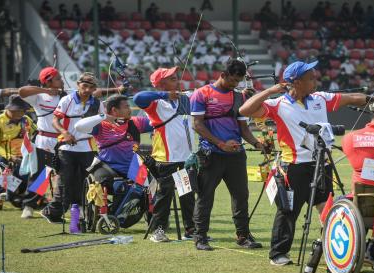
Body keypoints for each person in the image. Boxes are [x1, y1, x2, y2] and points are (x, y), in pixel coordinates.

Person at [239, 60, 372, 265]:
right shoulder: (277, 104)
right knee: (289, 211)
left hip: (322, 163)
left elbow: (351, 98)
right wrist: (271, 91)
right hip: (294, 167)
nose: (315, 80)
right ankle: (278, 254)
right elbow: (245, 110)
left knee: (326, 206)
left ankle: (337, 249)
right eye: (311, 78)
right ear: (297, 82)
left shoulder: (320, 98)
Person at [19, 67, 122, 219]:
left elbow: (95, 93)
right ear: (48, 81)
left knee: (76, 177)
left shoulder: (65, 94)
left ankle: (77, 206)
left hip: (70, 141)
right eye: (58, 78)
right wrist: (46, 91)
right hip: (47, 140)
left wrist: (116, 89)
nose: (61, 80)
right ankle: (30, 204)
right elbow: (22, 92)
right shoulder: (39, 96)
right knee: (42, 175)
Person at [190, 59, 264, 251]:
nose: (234, 85)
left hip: (236, 155)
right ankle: (200, 238)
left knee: (241, 196)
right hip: (211, 154)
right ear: (222, 75)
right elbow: (197, 124)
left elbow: (243, 128)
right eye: (232, 80)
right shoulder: (202, 94)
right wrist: (221, 144)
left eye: (238, 81)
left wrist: (256, 143)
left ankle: (243, 236)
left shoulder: (239, 96)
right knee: (205, 197)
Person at [133, 67, 196, 242]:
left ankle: (191, 230)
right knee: (164, 196)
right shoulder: (156, 103)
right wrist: (164, 95)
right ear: (161, 84)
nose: (177, 80)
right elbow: (138, 97)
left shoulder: (184, 99)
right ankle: (158, 231)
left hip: (186, 158)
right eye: (172, 78)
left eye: (176, 77)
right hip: (165, 159)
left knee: (187, 194)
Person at [40, 72, 104, 224]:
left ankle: (85, 212)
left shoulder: (97, 103)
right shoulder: (67, 99)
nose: (87, 90)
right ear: (78, 85)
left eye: (91, 87)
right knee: (65, 181)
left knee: (87, 181)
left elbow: (102, 124)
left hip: (89, 147)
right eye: (85, 86)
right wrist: (65, 132)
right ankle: (52, 212)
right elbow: (55, 120)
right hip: (67, 148)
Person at [74, 95, 152, 192]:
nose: (130, 109)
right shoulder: (102, 125)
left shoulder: (136, 122)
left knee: (149, 189)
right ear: (114, 110)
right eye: (126, 107)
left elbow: (157, 123)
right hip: (108, 167)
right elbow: (78, 126)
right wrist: (104, 116)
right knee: (115, 186)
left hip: (133, 168)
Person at [0, 95, 34, 209]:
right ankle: (12, 196)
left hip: (24, 155)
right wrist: (9, 156)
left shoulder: (26, 120)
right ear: (10, 109)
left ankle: (33, 196)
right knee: (11, 173)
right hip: (4, 156)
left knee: (41, 171)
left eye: (23, 110)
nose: (22, 113)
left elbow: (36, 131)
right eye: (19, 110)